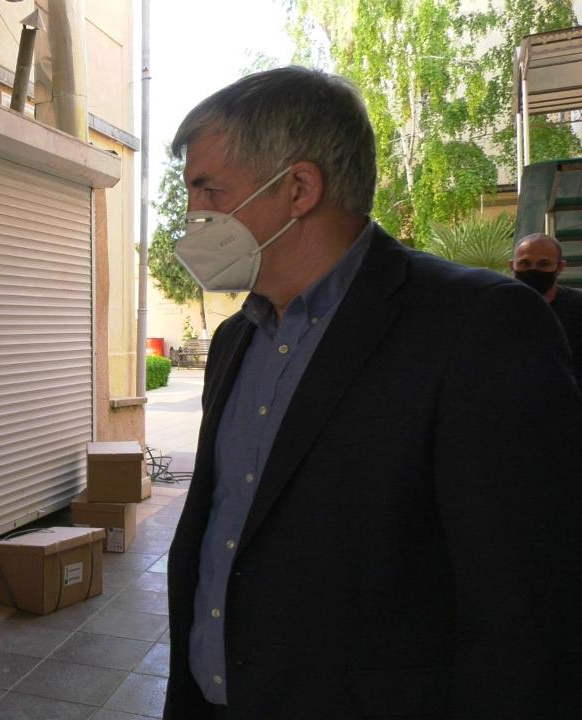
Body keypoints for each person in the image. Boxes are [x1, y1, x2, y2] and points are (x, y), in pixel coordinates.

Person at [162, 67, 582, 720]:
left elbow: (524, 613)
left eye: (209, 189)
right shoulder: (234, 339)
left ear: (298, 188)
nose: (194, 215)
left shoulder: (480, 328)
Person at [512, 231, 582, 382]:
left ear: (560, 267)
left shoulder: (577, 308)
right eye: (525, 263)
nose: (533, 270)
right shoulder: (498, 309)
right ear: (512, 266)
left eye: (543, 264)